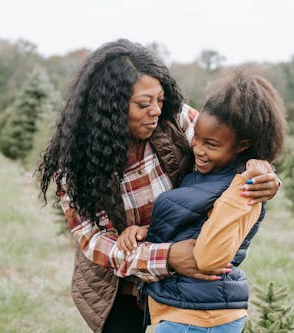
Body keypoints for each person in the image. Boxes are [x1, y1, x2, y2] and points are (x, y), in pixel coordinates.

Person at [36, 39, 281, 333]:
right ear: (110, 108)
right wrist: (169, 257)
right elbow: (95, 242)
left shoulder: (175, 121)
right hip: (121, 287)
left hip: (183, 290)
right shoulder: (75, 166)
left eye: (160, 100)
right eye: (143, 104)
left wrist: (264, 175)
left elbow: (233, 146)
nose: (155, 110)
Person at [117, 70, 287, 333]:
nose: (197, 147)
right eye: (196, 137)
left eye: (211, 144)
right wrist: (143, 233)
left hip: (198, 316)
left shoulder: (245, 188)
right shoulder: (204, 175)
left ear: (241, 146)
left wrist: (239, 189)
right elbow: (191, 226)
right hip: (180, 308)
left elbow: (208, 257)